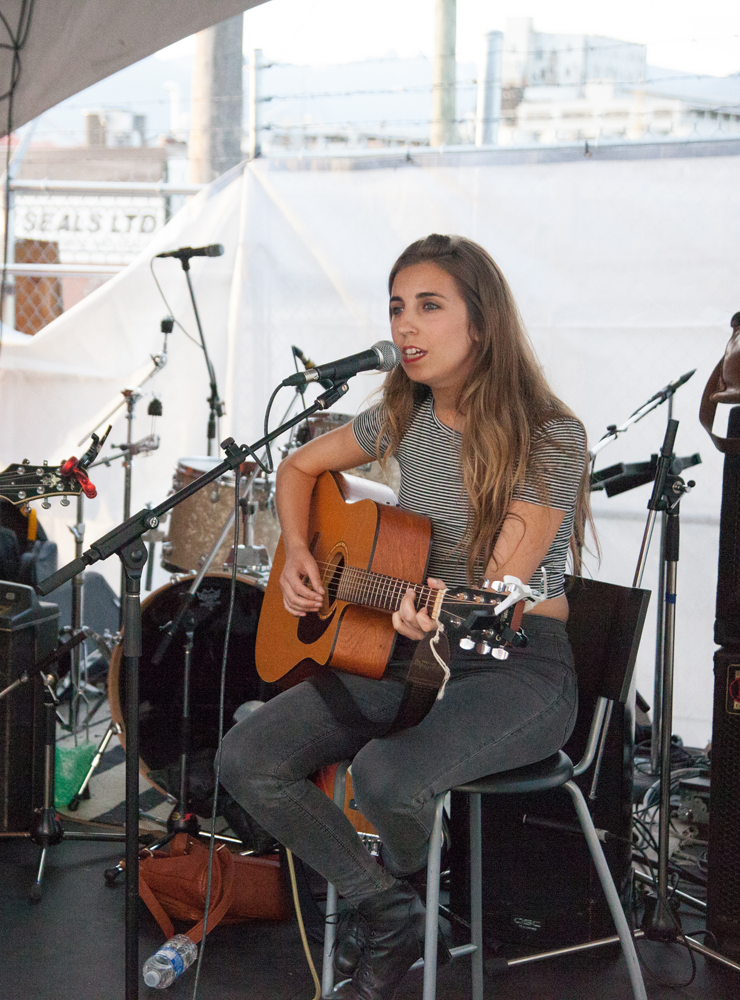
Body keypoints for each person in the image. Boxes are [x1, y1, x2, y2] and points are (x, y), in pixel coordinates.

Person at [218, 234, 590, 999]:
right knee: (246, 756)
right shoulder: (400, 410)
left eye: (428, 306)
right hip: (410, 648)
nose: (405, 327)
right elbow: (298, 468)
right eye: (396, 308)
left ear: (480, 323)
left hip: (517, 663)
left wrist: (440, 618)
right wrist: (296, 551)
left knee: (385, 775)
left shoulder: (551, 433)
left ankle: (402, 873)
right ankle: (387, 908)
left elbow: (497, 588)